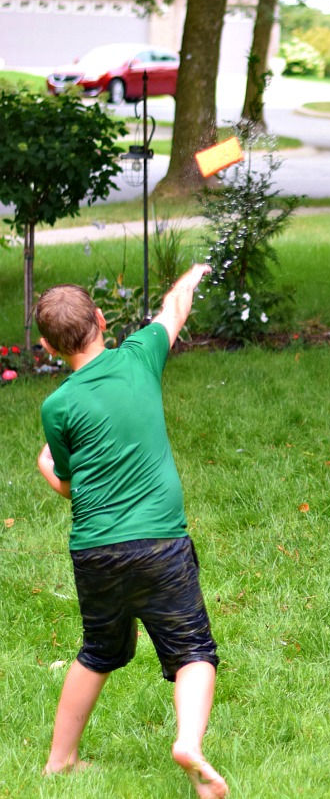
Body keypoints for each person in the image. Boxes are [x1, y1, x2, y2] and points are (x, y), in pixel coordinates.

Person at [35, 265, 228, 798]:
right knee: (193, 652)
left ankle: (60, 762)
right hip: (161, 543)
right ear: (101, 320)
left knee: (98, 651)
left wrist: (45, 467)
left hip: (96, 551)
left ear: (51, 348)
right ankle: (188, 741)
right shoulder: (141, 356)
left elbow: (72, 486)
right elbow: (174, 310)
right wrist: (188, 277)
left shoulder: (58, 405)